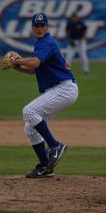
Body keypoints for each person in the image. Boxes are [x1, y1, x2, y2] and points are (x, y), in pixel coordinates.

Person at [12, 13, 78, 178]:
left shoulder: (46, 42)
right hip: (58, 89)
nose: (40, 28)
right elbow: (36, 69)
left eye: (42, 25)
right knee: (30, 128)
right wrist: (17, 67)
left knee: (28, 111)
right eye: (37, 26)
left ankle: (55, 145)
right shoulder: (41, 44)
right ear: (33, 28)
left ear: (47, 27)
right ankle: (45, 167)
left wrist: (18, 60)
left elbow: (34, 62)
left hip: (64, 89)